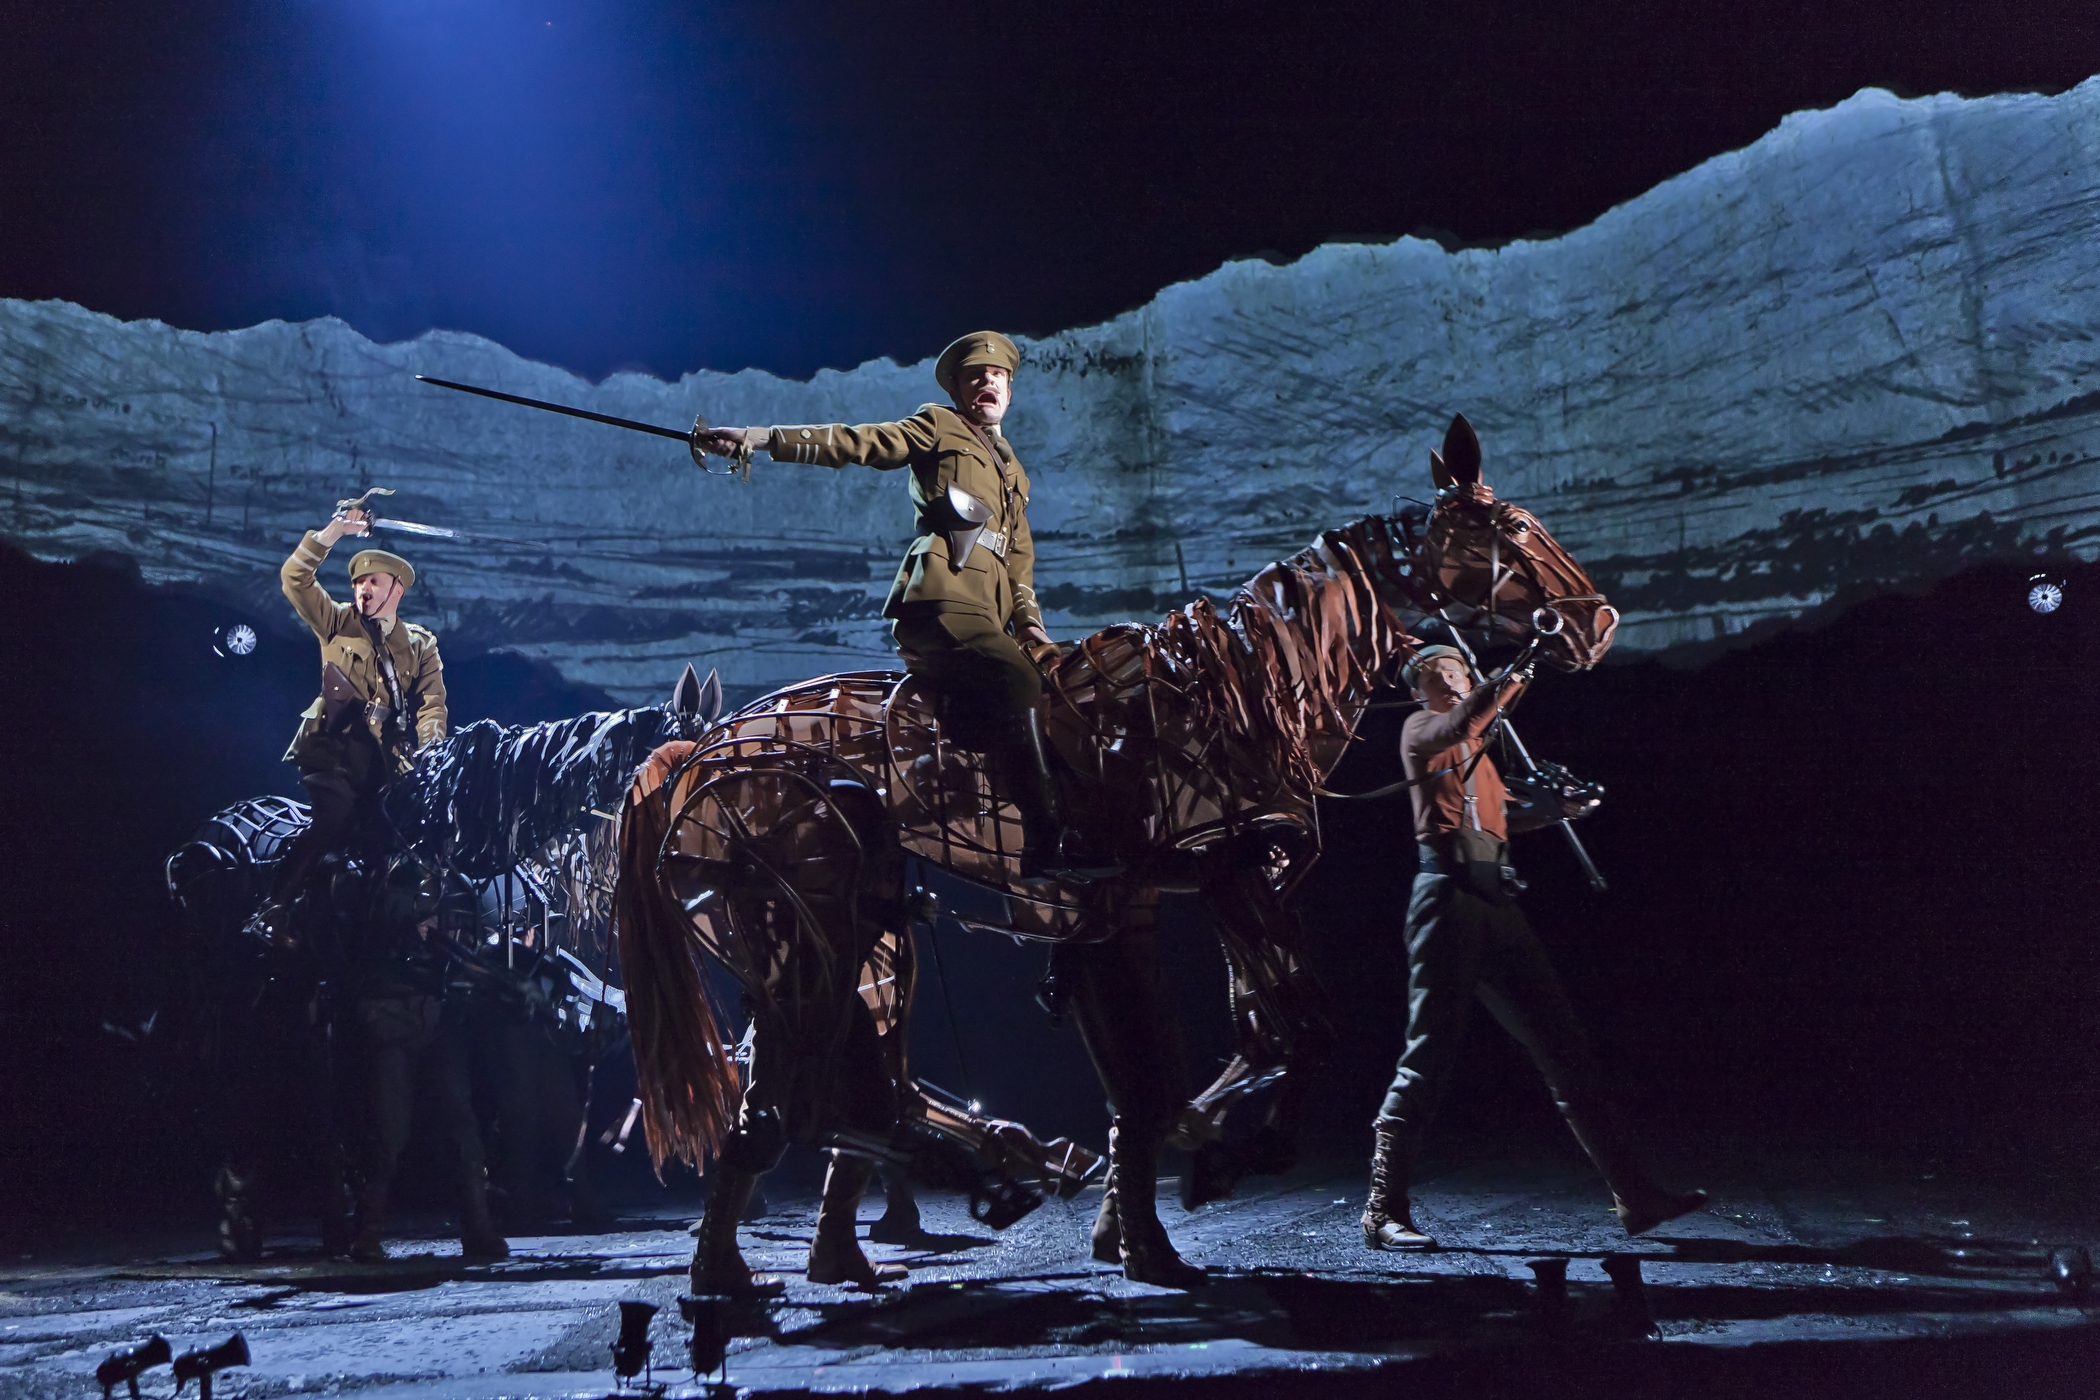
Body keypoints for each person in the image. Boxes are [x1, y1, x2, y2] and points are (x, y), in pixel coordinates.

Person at [694, 330, 1104, 881]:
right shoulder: (939, 424)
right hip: (941, 600)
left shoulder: (1013, 471)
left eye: (998, 376)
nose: (987, 383)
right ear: (959, 389)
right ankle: (1045, 843)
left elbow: (1019, 556)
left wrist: (1031, 625)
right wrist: (760, 438)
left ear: (1010, 389)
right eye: (975, 376)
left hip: (990, 612)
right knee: (1018, 682)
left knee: (1060, 688)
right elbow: (856, 442)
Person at [1361, 644, 1706, 1250]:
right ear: (1417, 690)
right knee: (1427, 1057)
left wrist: (1561, 806)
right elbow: (1464, 719)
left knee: (1564, 1049)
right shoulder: (1423, 729)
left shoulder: (1479, 758)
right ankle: (1381, 1211)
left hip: (1497, 901)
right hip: (1446, 901)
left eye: (1456, 671)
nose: (1448, 678)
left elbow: (1506, 815)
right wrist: (1517, 671)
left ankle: (1636, 1196)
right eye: (1435, 675)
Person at [252, 504, 448, 939]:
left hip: (387, 762)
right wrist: (334, 532)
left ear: (396, 589)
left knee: (410, 834)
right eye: (358, 582)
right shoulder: (338, 622)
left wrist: (431, 747)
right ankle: (273, 908)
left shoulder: (420, 645)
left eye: (372, 582)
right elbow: (294, 580)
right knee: (332, 818)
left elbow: (432, 703)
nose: (362, 589)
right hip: (334, 752)